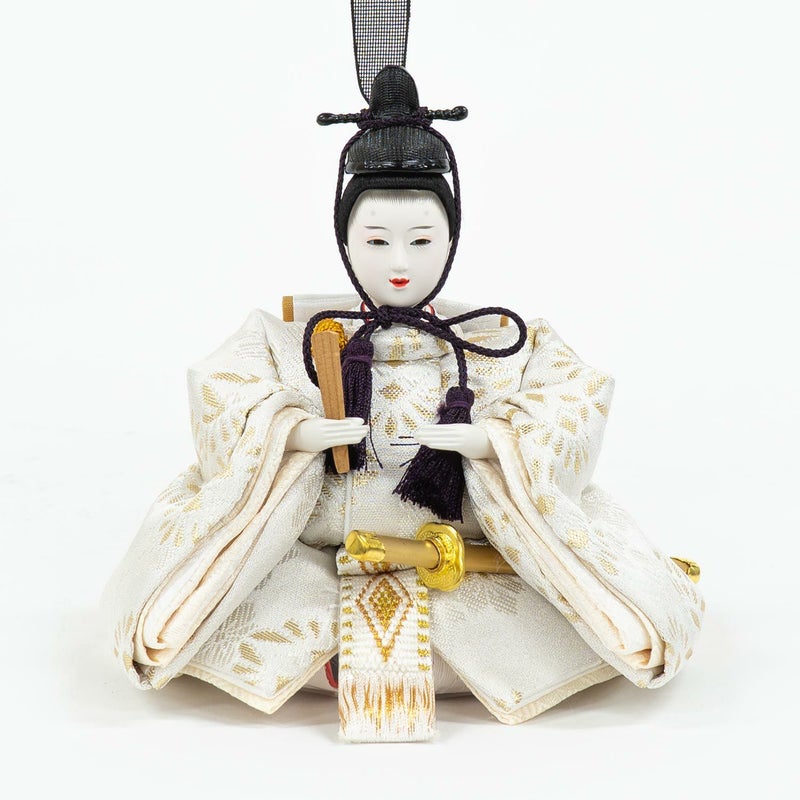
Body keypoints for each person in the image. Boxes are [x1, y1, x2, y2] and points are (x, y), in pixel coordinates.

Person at [105, 67, 703, 743]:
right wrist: (291, 433)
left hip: (471, 560)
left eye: (421, 240)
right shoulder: (289, 338)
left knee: (548, 627)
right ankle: (353, 661)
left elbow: (574, 397)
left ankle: (406, 664)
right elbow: (224, 391)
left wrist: (495, 442)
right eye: (376, 240)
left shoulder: (499, 341)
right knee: (232, 617)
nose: (399, 261)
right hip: (310, 557)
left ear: (450, 241)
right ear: (345, 241)